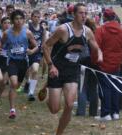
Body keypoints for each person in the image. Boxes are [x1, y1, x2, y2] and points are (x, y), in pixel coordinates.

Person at [43, 3, 102, 135]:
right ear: (74, 15)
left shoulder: (87, 31)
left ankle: (59, 133)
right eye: (81, 13)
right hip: (57, 70)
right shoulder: (63, 30)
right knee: (54, 109)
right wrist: (51, 65)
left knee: (69, 105)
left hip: (72, 70)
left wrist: (99, 55)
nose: (84, 16)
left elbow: (95, 46)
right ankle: (50, 99)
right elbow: (45, 46)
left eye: (86, 13)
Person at [0, 9, 37, 119]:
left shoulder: (27, 32)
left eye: (20, 19)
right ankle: (12, 109)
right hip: (12, 61)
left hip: (23, 62)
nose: (18, 21)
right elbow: (0, 42)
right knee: (13, 84)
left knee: (17, 85)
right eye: (16, 19)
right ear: (13, 20)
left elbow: (36, 45)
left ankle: (10, 96)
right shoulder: (7, 33)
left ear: (24, 20)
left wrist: (32, 51)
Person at [92, 8, 122, 121]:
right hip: (116, 64)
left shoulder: (101, 30)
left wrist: (95, 61)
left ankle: (106, 113)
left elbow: (95, 47)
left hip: (103, 64)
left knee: (105, 88)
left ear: (104, 18)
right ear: (114, 18)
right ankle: (115, 112)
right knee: (115, 87)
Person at [0, 17, 11, 103]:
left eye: (9, 23)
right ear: (1, 24)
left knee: (4, 81)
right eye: (5, 23)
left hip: (8, 60)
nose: (7, 25)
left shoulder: (13, 34)